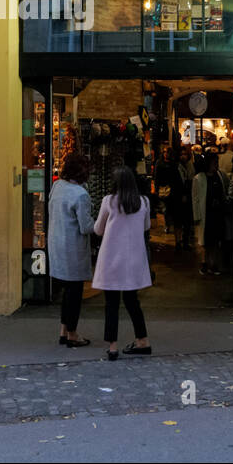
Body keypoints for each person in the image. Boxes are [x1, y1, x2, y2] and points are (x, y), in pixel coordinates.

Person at [92, 165, 152, 360]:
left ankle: (112, 346)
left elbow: (98, 229)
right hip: (133, 258)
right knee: (132, 301)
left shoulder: (109, 201)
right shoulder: (143, 202)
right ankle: (142, 339)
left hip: (111, 257)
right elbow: (146, 227)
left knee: (111, 303)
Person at [47, 153, 94, 347]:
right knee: (74, 294)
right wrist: (103, 222)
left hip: (56, 244)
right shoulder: (80, 194)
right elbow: (86, 226)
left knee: (66, 293)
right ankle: (72, 334)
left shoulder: (57, 186)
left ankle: (63, 331)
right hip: (73, 249)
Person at [153, 143, 188, 251]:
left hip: (175, 193)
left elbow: (178, 180)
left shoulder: (175, 164)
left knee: (177, 217)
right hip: (165, 192)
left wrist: (182, 193)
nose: (166, 154)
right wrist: (157, 189)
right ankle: (169, 226)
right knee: (166, 212)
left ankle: (178, 241)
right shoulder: (160, 163)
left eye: (167, 152)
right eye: (164, 152)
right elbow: (157, 177)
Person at [202, 155, 228, 275]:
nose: (216, 165)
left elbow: (224, 192)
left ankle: (213, 264)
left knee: (216, 240)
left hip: (217, 213)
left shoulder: (220, 176)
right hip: (207, 214)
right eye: (214, 163)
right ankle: (207, 263)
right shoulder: (201, 178)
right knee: (208, 241)